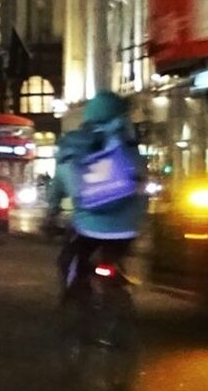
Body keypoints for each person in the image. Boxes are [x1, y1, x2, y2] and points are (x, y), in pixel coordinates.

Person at [45, 92, 145, 299]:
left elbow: (59, 186)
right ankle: (119, 285)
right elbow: (141, 183)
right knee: (115, 255)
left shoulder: (72, 146)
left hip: (88, 226)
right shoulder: (128, 144)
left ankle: (74, 300)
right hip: (128, 229)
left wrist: (51, 212)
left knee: (70, 260)